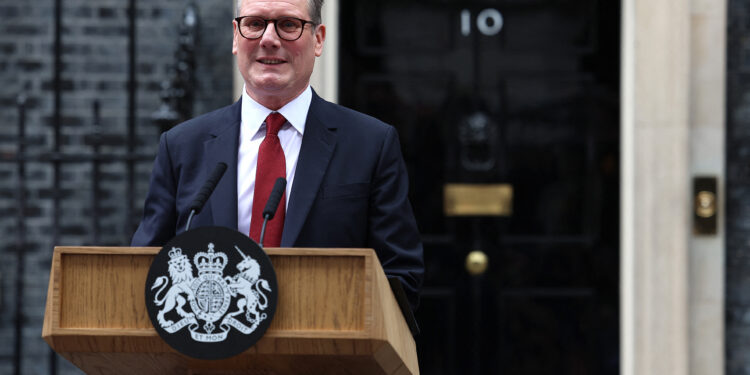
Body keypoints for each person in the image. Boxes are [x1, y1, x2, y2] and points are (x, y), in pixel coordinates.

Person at [132, 0, 424, 310]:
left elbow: (400, 277)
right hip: (208, 351)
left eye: (288, 25)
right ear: (236, 36)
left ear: (319, 39)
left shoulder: (370, 144)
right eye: (255, 24)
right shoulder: (181, 146)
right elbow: (145, 270)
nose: (269, 39)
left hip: (324, 351)